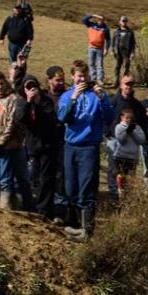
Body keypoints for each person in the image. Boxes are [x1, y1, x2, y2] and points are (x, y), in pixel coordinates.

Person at [58, 60, 113, 241]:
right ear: (72, 77)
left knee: (86, 188)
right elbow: (62, 117)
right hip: (71, 146)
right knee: (70, 187)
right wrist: (73, 98)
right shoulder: (66, 96)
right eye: (79, 76)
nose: (82, 79)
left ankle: (87, 230)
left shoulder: (95, 95)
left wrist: (102, 98)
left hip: (89, 146)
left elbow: (110, 117)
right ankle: (75, 225)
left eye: (85, 76)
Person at [0, 74, 34, 211]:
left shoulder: (13, 99)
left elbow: (12, 123)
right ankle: (7, 209)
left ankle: (26, 208)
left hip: (10, 144)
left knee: (17, 179)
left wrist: (2, 142)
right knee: (1, 180)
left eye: (1, 84)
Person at [23, 73, 62, 221]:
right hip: (33, 147)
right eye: (28, 87)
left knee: (47, 179)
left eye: (34, 86)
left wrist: (37, 103)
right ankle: (35, 208)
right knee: (34, 179)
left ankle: (45, 211)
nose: (32, 89)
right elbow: (22, 119)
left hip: (48, 146)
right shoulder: (23, 102)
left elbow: (47, 121)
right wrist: (29, 102)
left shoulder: (46, 101)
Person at [106, 75, 147, 200]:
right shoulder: (112, 101)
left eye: (131, 84)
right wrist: (106, 133)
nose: (128, 86)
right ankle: (114, 198)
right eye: (126, 84)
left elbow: (143, 122)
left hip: (131, 144)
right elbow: (104, 117)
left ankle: (127, 200)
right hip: (114, 141)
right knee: (114, 171)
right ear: (121, 85)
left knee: (129, 174)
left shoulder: (137, 105)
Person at [112, 107, 145, 195]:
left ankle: (128, 196)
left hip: (132, 157)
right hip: (120, 156)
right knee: (119, 176)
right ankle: (119, 193)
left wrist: (132, 132)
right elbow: (121, 140)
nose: (129, 120)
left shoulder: (136, 127)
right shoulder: (119, 127)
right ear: (122, 117)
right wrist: (127, 131)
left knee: (130, 179)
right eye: (127, 118)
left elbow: (141, 140)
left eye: (130, 118)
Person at [81, 14, 109, 83]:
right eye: (99, 19)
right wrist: (93, 15)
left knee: (99, 65)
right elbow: (84, 20)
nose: (100, 21)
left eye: (102, 19)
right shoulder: (91, 25)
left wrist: (106, 49)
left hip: (100, 49)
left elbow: (108, 39)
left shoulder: (105, 28)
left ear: (104, 20)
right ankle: (93, 79)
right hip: (91, 48)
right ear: (97, 19)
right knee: (91, 64)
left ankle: (100, 79)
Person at [111, 16, 136, 88]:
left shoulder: (130, 32)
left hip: (127, 52)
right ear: (120, 22)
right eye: (123, 21)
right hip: (118, 52)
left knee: (126, 67)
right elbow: (113, 41)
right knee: (117, 67)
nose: (124, 22)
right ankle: (116, 82)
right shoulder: (116, 31)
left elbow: (133, 43)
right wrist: (112, 50)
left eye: (125, 21)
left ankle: (124, 82)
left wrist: (132, 53)